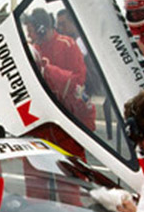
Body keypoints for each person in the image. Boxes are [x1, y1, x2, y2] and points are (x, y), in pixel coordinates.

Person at [25, 8, 95, 156]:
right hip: (46, 119)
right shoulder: (34, 49)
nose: (28, 35)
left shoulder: (67, 45)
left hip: (69, 116)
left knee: (74, 168)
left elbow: (79, 80)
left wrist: (48, 71)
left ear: (41, 29)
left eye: (30, 30)